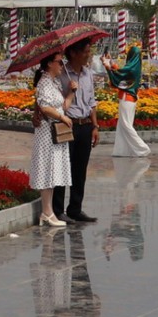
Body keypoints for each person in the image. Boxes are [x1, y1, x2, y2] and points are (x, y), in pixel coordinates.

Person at [59, 38, 102, 221]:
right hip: (68, 124)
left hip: (85, 126)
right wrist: (69, 91)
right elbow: (56, 103)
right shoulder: (61, 74)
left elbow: (92, 102)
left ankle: (75, 208)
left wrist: (95, 126)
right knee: (63, 168)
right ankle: (58, 210)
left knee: (80, 169)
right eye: (85, 51)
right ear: (73, 53)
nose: (88, 55)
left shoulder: (88, 74)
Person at [28, 53, 71, 228]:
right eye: (59, 62)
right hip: (48, 132)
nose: (62, 65)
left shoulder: (54, 82)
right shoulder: (44, 82)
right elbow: (45, 107)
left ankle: (48, 211)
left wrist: (72, 93)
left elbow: (63, 105)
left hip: (55, 131)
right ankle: (47, 212)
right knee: (47, 168)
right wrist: (62, 117)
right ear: (49, 63)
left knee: (53, 170)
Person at [106, 38, 150, 158]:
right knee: (123, 124)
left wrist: (108, 67)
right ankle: (123, 150)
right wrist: (110, 62)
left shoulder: (131, 68)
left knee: (125, 124)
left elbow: (120, 74)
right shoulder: (135, 67)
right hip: (130, 98)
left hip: (127, 97)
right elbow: (122, 72)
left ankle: (142, 148)